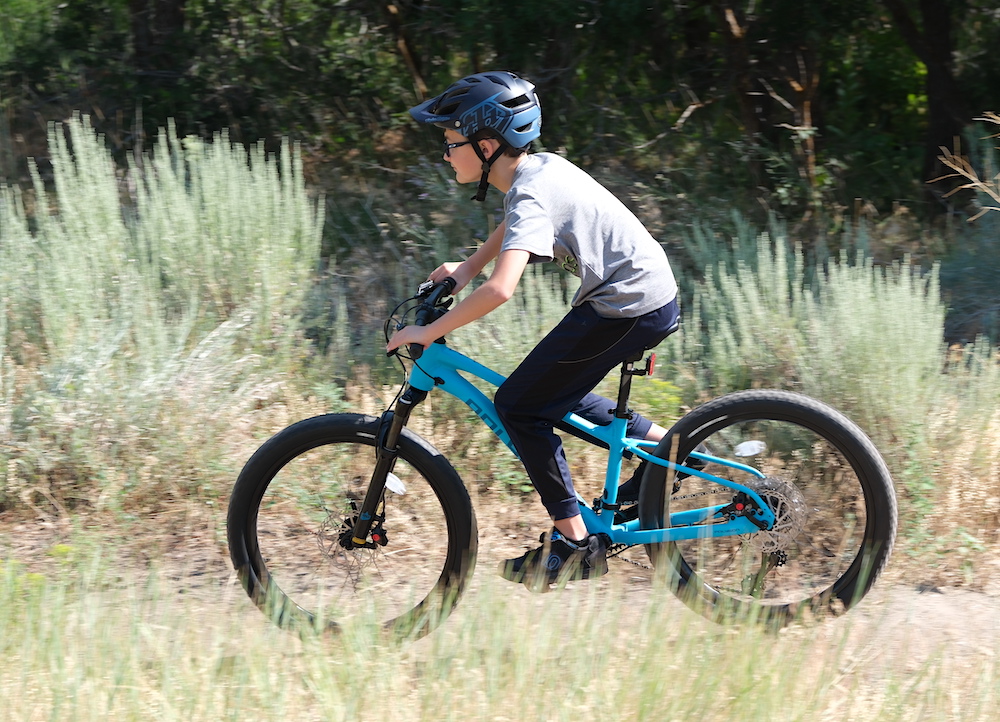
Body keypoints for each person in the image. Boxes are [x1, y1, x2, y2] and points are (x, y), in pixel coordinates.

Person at [386, 70, 679, 587]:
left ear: (488, 144)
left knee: (518, 405)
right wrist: (465, 268)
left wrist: (430, 332)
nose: (446, 154)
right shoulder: (535, 171)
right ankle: (670, 451)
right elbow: (512, 228)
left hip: (628, 303)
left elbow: (502, 290)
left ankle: (574, 543)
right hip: (637, 297)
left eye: (452, 143)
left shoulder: (530, 192)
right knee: (547, 393)